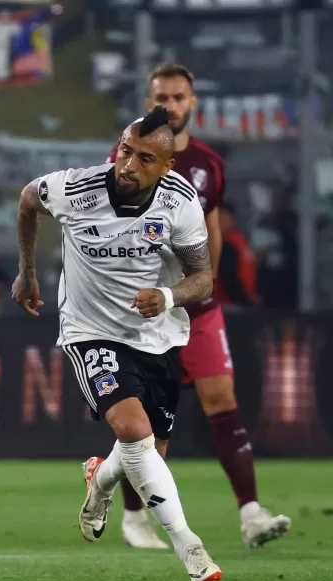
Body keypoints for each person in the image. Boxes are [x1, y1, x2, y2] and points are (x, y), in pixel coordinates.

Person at [12, 106, 222, 581]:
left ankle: (99, 481)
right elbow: (27, 201)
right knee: (132, 429)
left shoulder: (180, 201)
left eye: (145, 158)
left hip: (156, 335)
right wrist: (27, 272)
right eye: (126, 151)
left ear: (165, 166)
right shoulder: (75, 188)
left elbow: (203, 279)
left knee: (148, 449)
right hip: (90, 331)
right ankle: (189, 544)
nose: (129, 165)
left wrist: (166, 297)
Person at [105, 63, 289, 549]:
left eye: (179, 97)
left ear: (192, 103)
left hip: (196, 306)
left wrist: (203, 285)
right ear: (149, 102)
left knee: (222, 401)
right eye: (161, 97)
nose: (169, 105)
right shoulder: (129, 157)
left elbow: (212, 230)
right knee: (142, 423)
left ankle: (251, 514)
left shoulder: (209, 163)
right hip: (145, 309)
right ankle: (133, 519)